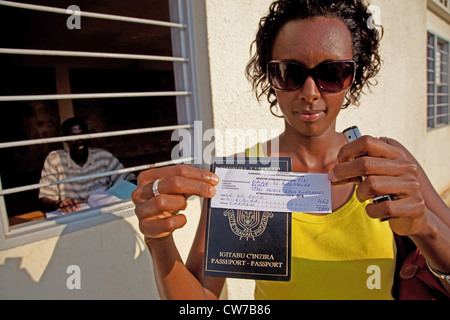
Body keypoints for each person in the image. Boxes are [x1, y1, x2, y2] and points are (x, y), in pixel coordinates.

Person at [132, 0, 450, 299]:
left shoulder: (386, 162)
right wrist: (159, 241)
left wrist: (425, 227)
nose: (310, 92)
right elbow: (201, 301)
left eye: (332, 72)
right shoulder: (241, 175)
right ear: (270, 77)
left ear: (353, 76)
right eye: (290, 73)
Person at [39, 117, 136, 213]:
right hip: (74, 215)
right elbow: (45, 200)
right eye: (73, 137)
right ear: (65, 138)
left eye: (83, 134)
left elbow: (129, 180)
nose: (79, 140)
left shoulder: (103, 157)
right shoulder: (55, 160)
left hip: (105, 213)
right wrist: (59, 203)